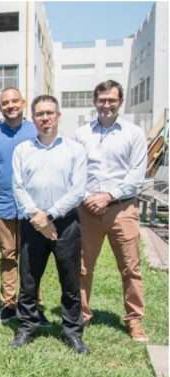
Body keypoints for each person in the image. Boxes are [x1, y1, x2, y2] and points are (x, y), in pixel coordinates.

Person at [11, 94, 88, 354]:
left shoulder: (74, 149)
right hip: (32, 223)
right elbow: (18, 187)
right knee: (29, 279)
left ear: (58, 116)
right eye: (40, 114)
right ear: (32, 118)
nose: (45, 118)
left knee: (70, 279)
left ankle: (72, 331)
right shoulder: (23, 150)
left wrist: (50, 215)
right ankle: (27, 326)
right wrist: (38, 216)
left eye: (49, 113)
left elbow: (77, 190)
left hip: (66, 223)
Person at [74, 80, 149, 342]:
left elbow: (137, 174)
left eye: (112, 100)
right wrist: (87, 197)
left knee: (130, 268)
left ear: (120, 101)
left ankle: (134, 321)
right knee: (82, 267)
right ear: (95, 101)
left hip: (122, 209)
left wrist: (108, 196)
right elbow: (76, 171)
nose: (106, 105)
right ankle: (80, 315)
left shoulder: (134, 134)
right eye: (102, 100)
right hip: (88, 210)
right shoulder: (82, 134)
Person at [0, 87, 49, 325]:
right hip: (2, 205)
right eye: (5, 103)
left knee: (33, 259)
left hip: (32, 207)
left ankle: (33, 306)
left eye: (14, 101)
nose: (10, 106)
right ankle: (9, 305)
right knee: (8, 256)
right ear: (0, 108)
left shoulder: (35, 131)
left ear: (23, 103)